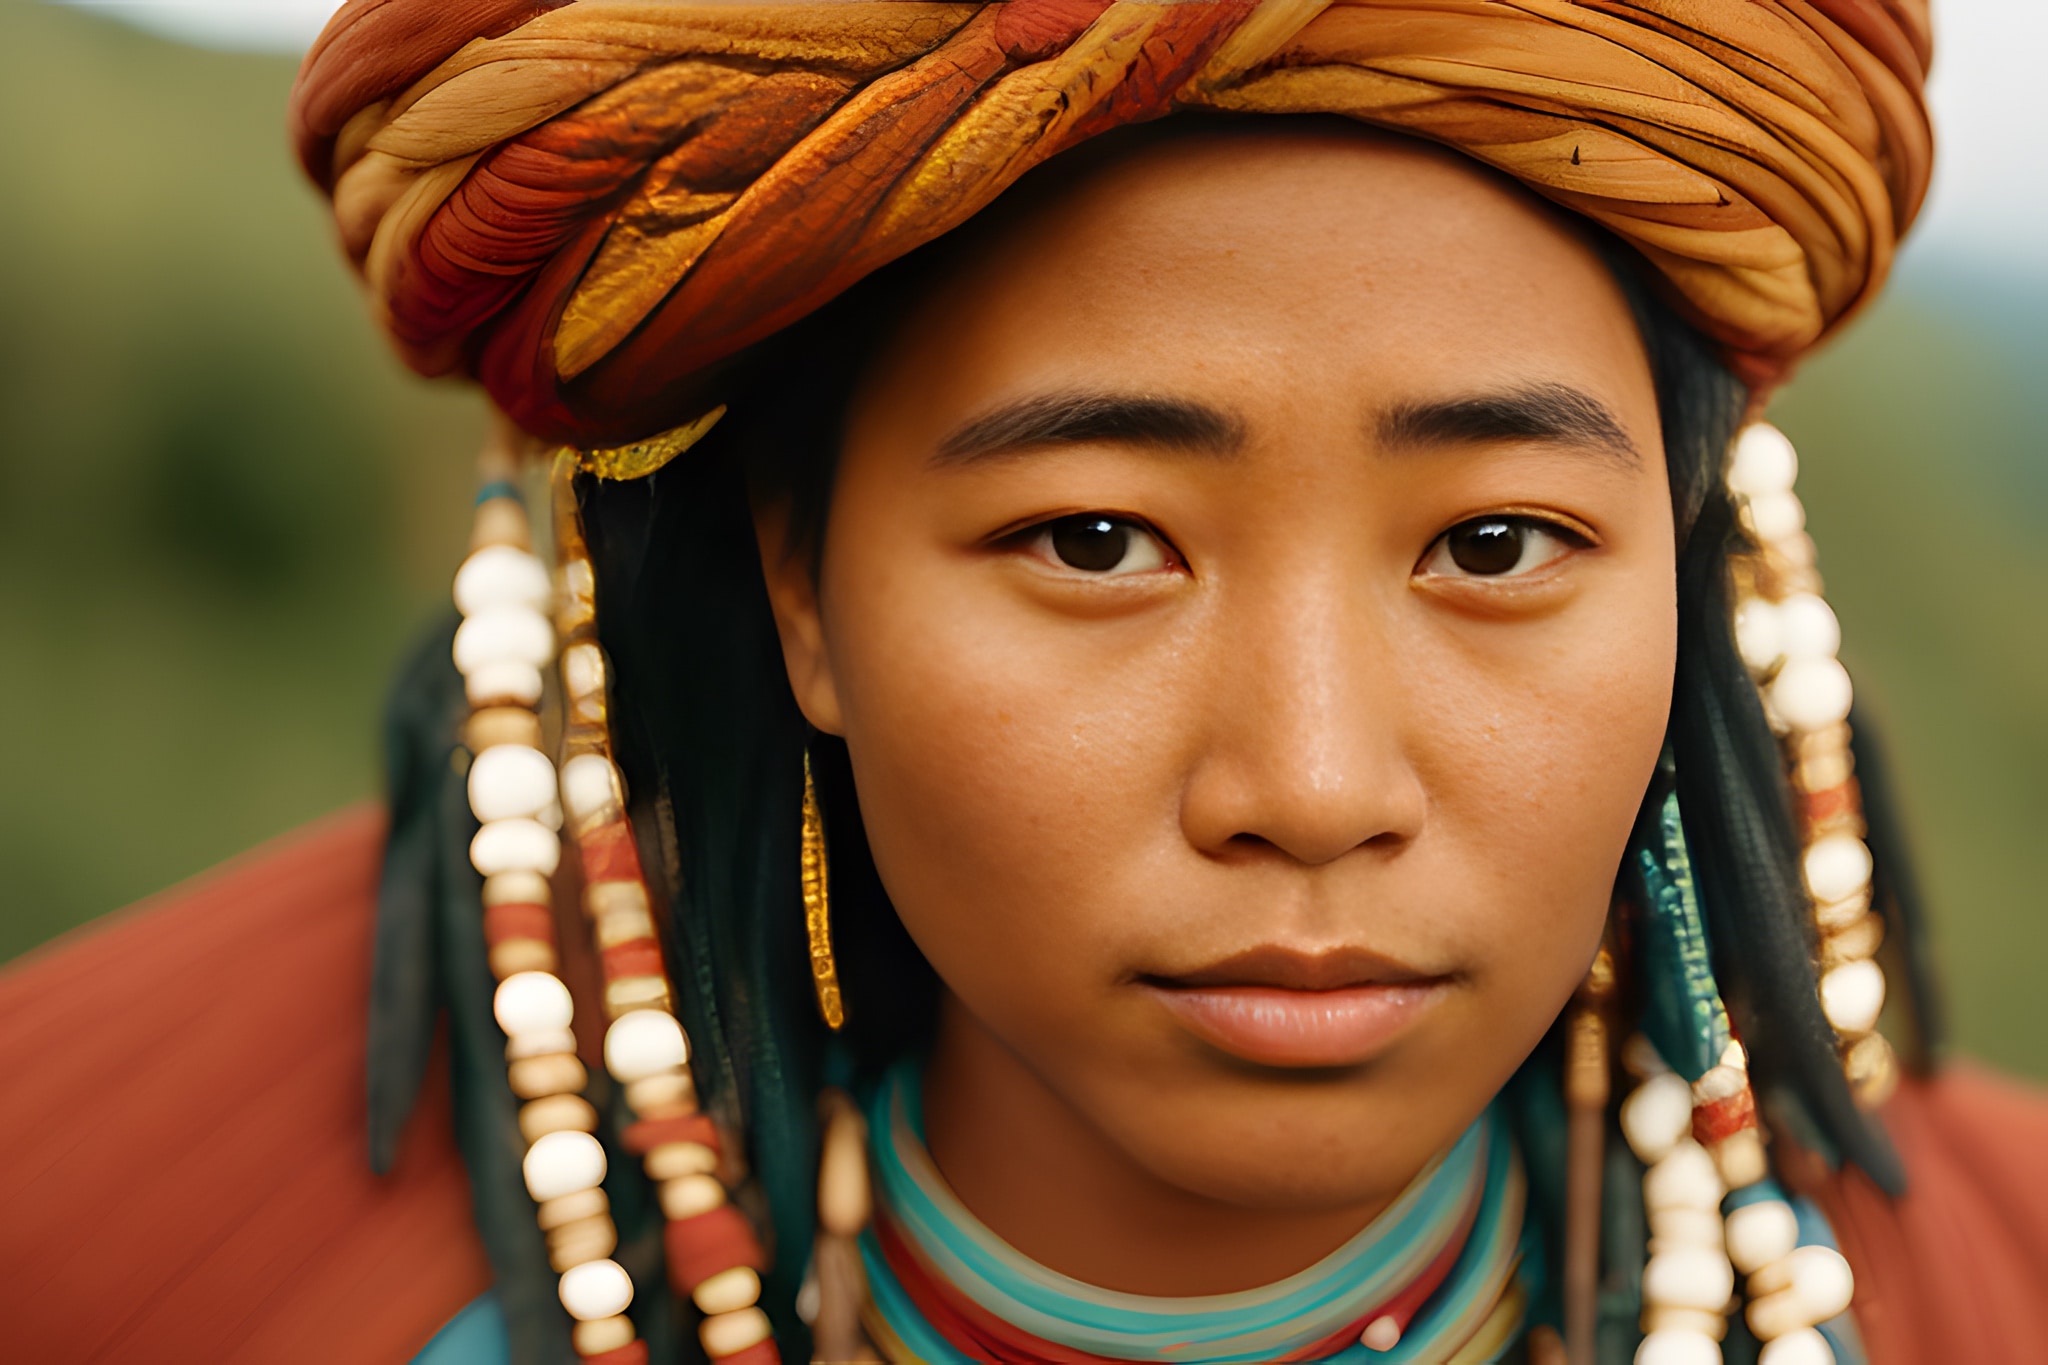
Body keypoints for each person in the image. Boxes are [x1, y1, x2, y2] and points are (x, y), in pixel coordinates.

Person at [5, 3, 2046, 1363]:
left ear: (1690, 570)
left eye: (1493, 544)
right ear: (801, 585)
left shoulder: (1987, 1290)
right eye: (1093, 540)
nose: (1313, 781)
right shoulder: (107, 1241)